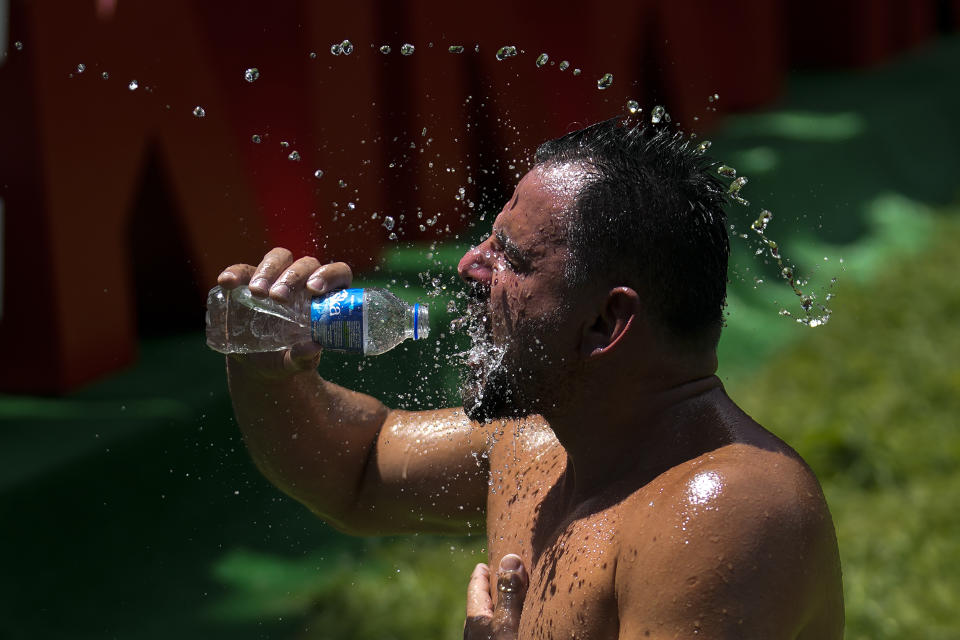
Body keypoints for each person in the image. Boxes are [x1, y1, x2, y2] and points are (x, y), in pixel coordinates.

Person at [216, 118, 844, 639]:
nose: (469, 265)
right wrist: (268, 367)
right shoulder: (541, 444)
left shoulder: (725, 514)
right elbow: (356, 473)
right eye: (487, 242)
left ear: (606, 322)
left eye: (510, 258)